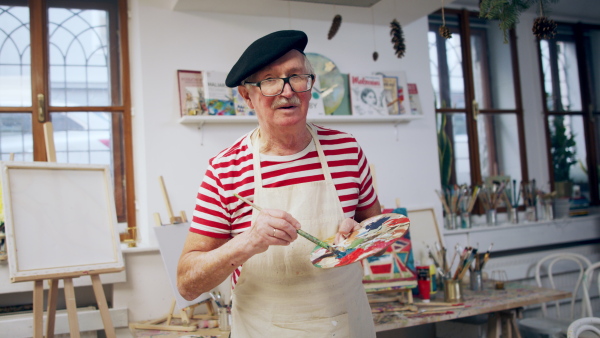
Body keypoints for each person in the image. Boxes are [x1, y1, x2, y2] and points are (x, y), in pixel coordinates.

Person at [177, 30, 381, 337]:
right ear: (247, 96)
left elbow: (376, 226)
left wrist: (357, 240)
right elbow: (187, 284)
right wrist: (249, 241)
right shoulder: (226, 169)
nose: (287, 91)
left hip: (348, 325)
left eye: (296, 76)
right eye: (270, 80)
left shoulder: (347, 150)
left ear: (310, 86)